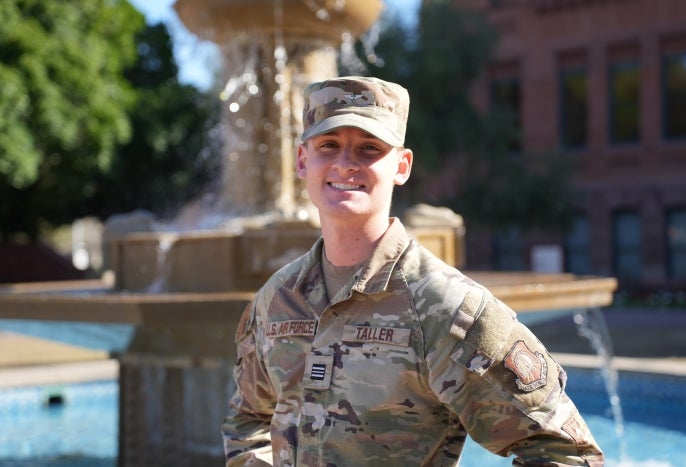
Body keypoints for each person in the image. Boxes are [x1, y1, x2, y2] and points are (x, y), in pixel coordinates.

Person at [222, 76, 604, 466]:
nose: (345, 163)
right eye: (328, 146)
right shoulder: (277, 299)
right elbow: (248, 418)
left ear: (402, 166)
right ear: (303, 161)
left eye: (369, 148)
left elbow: (565, 451)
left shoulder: (446, 307)